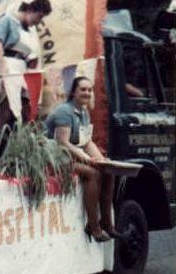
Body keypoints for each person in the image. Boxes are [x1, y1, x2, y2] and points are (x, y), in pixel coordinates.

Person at [44, 77, 121, 242]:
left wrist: (102, 161)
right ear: (73, 92)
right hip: (53, 157)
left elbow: (86, 141)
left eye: (89, 90)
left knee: (108, 171)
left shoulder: (84, 112)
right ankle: (93, 227)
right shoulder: (64, 111)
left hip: (70, 155)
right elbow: (62, 142)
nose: (87, 93)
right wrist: (87, 158)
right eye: (83, 89)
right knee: (92, 173)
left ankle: (106, 222)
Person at [0, 0, 52, 77]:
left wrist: (31, 61)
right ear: (30, 10)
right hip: (2, 71)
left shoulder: (30, 32)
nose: (38, 21)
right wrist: (3, 70)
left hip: (20, 73)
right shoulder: (7, 21)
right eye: (39, 16)